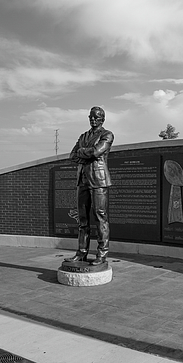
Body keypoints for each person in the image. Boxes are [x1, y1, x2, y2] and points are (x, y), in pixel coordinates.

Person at [65, 106, 114, 265]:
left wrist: (83, 152)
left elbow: (96, 152)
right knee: (83, 220)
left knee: (100, 217)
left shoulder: (107, 134)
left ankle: (102, 254)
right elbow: (72, 155)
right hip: (83, 180)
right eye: (91, 117)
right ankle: (81, 253)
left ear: (102, 119)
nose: (93, 120)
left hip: (98, 180)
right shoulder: (83, 136)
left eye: (96, 117)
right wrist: (86, 152)